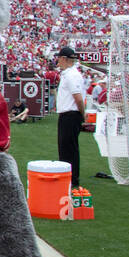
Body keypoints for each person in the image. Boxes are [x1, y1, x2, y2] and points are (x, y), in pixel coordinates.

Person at [55, 45, 87, 186]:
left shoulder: (72, 75)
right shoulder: (69, 74)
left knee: (69, 147)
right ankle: (67, 175)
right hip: (67, 114)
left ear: (64, 58)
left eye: (59, 58)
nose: (58, 62)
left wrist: (82, 113)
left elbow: (78, 98)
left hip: (71, 114)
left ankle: (72, 178)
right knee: (65, 146)